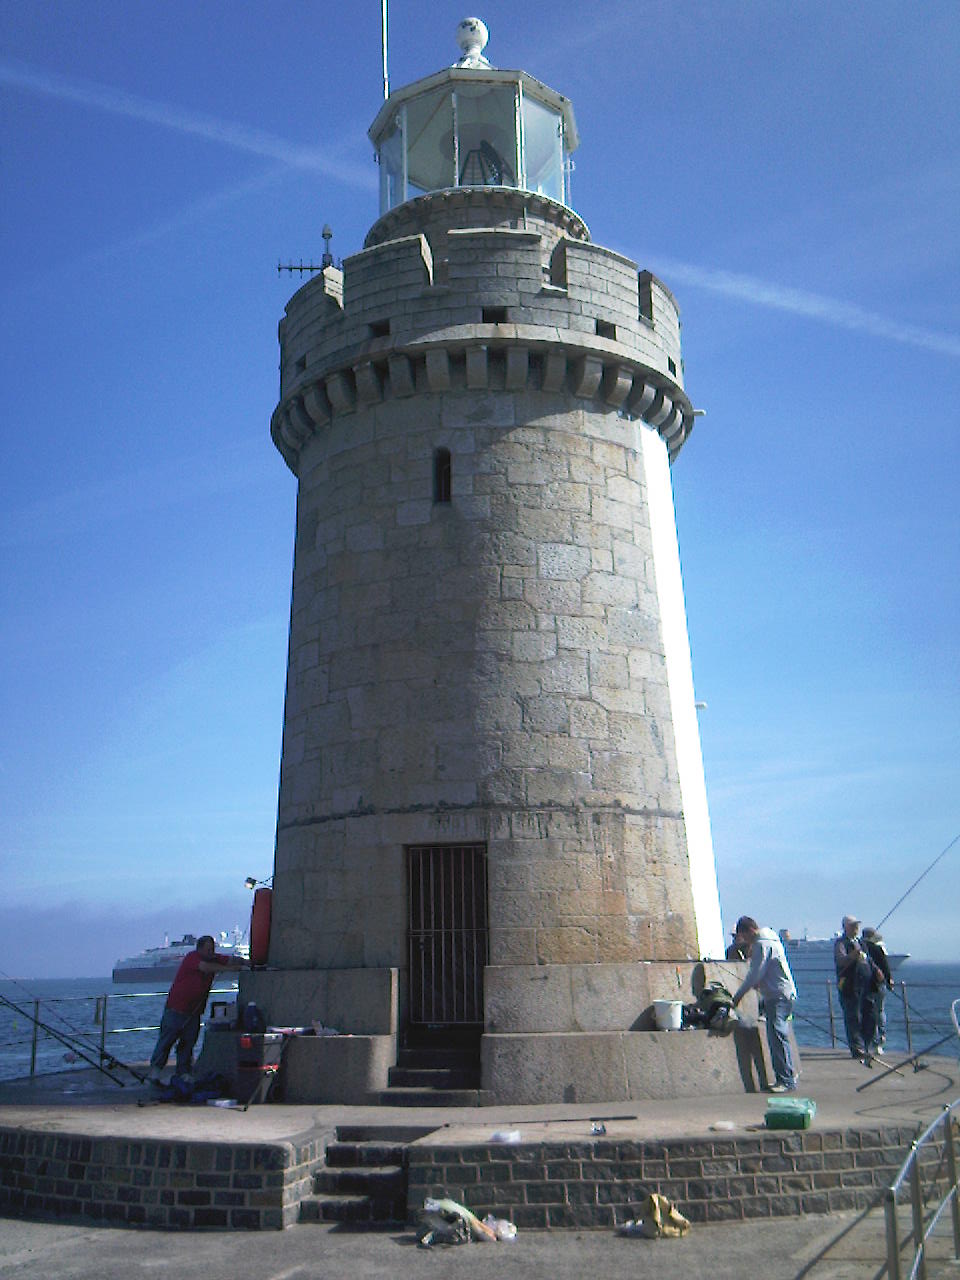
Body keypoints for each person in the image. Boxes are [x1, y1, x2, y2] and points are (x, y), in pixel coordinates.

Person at [149, 935, 246, 1083]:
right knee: (166, 1041)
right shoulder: (192, 957)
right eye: (208, 949)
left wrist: (246, 962)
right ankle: (155, 1071)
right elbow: (206, 968)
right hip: (176, 1009)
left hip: (194, 1011)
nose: (211, 952)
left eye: (212, 949)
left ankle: (183, 1072)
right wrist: (232, 969)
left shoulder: (213, 958)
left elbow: (229, 959)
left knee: (188, 1043)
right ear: (199, 948)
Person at [730, 916, 800, 1092]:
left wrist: (738, 996)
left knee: (777, 1036)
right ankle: (786, 1077)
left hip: (777, 996)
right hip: (783, 994)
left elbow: (755, 973)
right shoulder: (771, 940)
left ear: (749, 931)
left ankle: (785, 1080)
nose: (745, 941)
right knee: (779, 1035)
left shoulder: (762, 944)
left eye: (744, 936)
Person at [833, 914, 876, 1062]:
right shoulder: (841, 943)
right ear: (846, 927)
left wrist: (877, 971)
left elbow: (869, 960)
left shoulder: (861, 943)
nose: (856, 928)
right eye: (853, 925)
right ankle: (857, 1048)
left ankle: (868, 1045)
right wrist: (852, 955)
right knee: (853, 1016)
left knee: (869, 1015)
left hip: (866, 984)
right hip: (850, 986)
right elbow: (841, 961)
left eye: (857, 925)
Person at [861, 926, 893, 1055]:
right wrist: (890, 980)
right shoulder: (878, 948)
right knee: (880, 1011)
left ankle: (870, 1041)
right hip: (879, 985)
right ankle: (881, 1040)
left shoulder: (861, 948)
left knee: (868, 1014)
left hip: (865, 986)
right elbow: (885, 966)